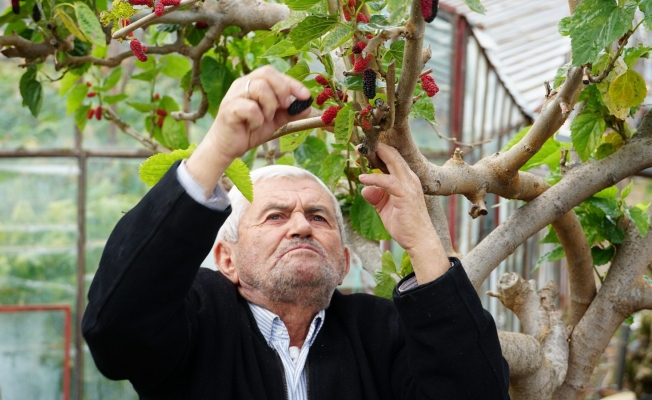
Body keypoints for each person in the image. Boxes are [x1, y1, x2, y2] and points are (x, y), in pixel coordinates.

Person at [82, 66, 510, 399]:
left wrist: (423, 242)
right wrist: (217, 149)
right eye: (275, 216)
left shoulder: (381, 332)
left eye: (319, 217)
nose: (302, 225)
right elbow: (116, 328)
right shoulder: (198, 320)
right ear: (226, 259)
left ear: (344, 263)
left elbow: (475, 392)